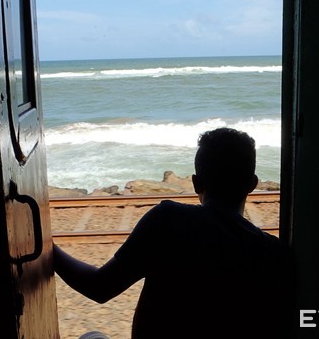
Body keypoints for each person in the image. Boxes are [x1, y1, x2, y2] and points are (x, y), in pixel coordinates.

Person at [53, 127, 294, 338]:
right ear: (252, 183)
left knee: (91, 335)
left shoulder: (168, 220)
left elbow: (99, 287)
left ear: (196, 184)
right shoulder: (274, 253)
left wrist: (46, 249)